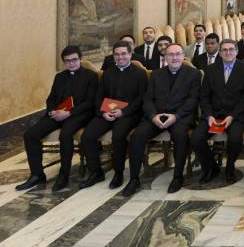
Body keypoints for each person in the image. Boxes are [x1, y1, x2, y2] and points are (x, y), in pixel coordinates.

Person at [122, 43, 200, 196]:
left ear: (183, 56)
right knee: (137, 136)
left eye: (178, 54)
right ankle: (134, 179)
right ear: (165, 57)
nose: (174, 57)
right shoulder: (156, 74)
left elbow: (193, 100)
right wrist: (153, 116)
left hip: (180, 117)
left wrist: (176, 116)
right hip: (157, 116)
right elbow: (148, 99)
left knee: (180, 136)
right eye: (170, 54)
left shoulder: (194, 74)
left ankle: (177, 177)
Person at [16, 46, 98, 192]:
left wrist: (69, 113)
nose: (71, 63)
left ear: (80, 59)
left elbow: (90, 102)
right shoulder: (59, 77)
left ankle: (64, 175)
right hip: (58, 113)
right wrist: (52, 111)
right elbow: (51, 98)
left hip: (79, 114)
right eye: (67, 61)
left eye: (74, 60)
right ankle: (37, 175)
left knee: (65, 134)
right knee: (30, 135)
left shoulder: (91, 76)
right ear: (64, 62)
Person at [80, 41, 148, 189]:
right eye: (116, 54)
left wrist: (123, 112)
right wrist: (103, 113)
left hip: (129, 114)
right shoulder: (108, 73)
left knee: (118, 136)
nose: (120, 57)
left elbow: (141, 99)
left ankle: (118, 172)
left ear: (130, 54)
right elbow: (99, 96)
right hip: (107, 112)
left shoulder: (140, 74)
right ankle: (96, 172)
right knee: (88, 136)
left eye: (124, 53)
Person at [191, 39, 244, 184]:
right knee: (196, 138)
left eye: (231, 49)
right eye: (224, 50)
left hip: (236, 115)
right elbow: (204, 95)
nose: (228, 52)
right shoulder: (211, 69)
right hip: (213, 114)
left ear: (236, 51)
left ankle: (230, 167)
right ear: (219, 52)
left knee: (235, 139)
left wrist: (232, 116)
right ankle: (210, 168)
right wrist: (208, 116)